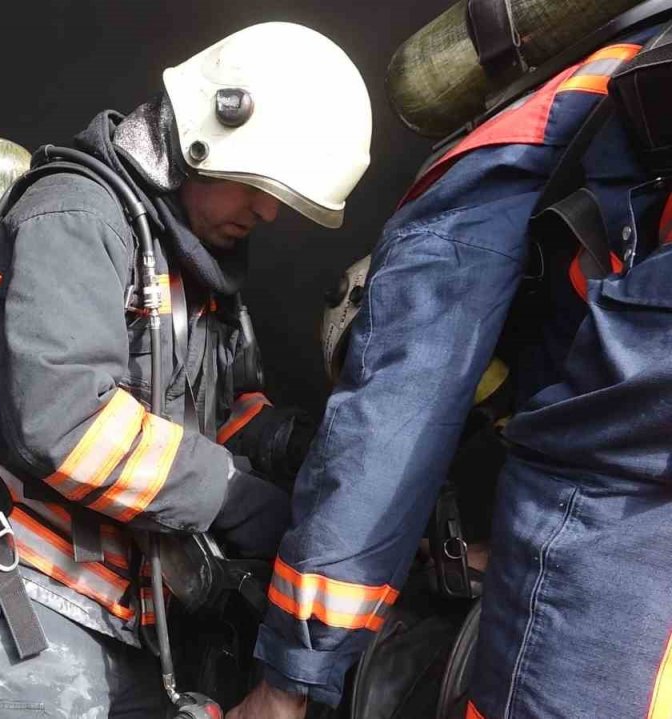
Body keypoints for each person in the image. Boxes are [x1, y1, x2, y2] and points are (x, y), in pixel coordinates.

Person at [0, 22, 372, 718]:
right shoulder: (76, 215)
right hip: (18, 593)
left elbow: (216, 416)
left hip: (122, 613)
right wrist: (237, 497)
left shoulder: (192, 273)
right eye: (260, 184)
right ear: (210, 127)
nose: (268, 210)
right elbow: (64, 419)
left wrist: (310, 453)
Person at [232, 24, 670, 719]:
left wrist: (286, 680)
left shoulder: (517, 136)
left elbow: (396, 410)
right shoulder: (627, 110)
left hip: (615, 578)